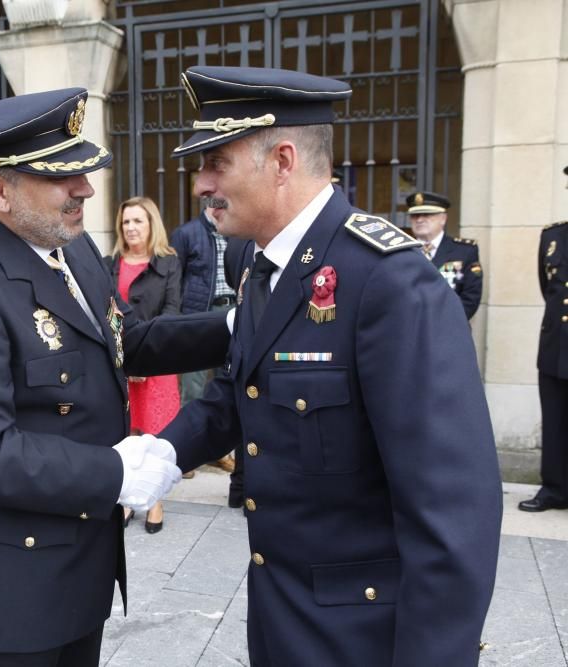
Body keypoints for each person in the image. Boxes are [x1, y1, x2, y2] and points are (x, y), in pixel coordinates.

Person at [157, 65, 503, 666]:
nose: (201, 184)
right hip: (283, 617)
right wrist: (160, 456)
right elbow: (245, 388)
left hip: (362, 639)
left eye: (216, 163)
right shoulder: (258, 264)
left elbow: (453, 514)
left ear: (283, 160)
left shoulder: (389, 281)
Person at [0, 87, 230, 666]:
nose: (85, 190)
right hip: (13, 591)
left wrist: (234, 325)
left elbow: (125, 342)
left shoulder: (68, 247)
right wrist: (117, 471)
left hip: (82, 564)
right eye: (61, 178)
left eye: (83, 170)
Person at [106, 196, 182, 533]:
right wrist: (126, 356)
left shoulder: (168, 262)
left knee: (155, 434)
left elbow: (172, 312)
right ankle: (126, 499)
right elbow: (106, 312)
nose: (131, 228)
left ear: (151, 224)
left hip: (158, 360)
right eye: (126, 222)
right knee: (127, 433)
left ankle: (154, 500)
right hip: (123, 362)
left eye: (138, 221)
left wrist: (147, 356)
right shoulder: (111, 263)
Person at [171, 206, 245, 507]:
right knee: (194, 387)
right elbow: (175, 278)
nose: (218, 205)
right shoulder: (187, 234)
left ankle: (220, 452)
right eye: (212, 201)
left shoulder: (240, 229)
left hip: (233, 311)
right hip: (200, 314)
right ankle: (189, 454)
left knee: (231, 383)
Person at [519, 164, 568, 512]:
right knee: (555, 421)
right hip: (556, 345)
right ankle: (554, 488)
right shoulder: (552, 237)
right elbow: (547, 288)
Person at [406, 190, 483, 320]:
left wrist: (446, 325)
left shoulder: (464, 251)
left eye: (427, 214)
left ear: (443, 218)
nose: (419, 219)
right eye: (415, 215)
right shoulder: (403, 251)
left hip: (449, 330)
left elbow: (471, 297)